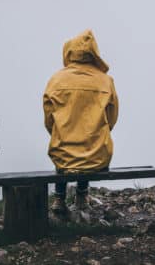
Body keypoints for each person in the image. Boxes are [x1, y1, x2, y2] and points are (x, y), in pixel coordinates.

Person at [43, 29, 119, 213]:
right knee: (90, 143)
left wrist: (61, 132)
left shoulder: (56, 80)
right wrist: (97, 130)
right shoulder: (105, 81)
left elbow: (49, 120)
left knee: (64, 149)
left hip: (62, 155)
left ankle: (59, 200)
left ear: (69, 51)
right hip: (97, 157)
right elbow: (112, 117)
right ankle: (81, 197)